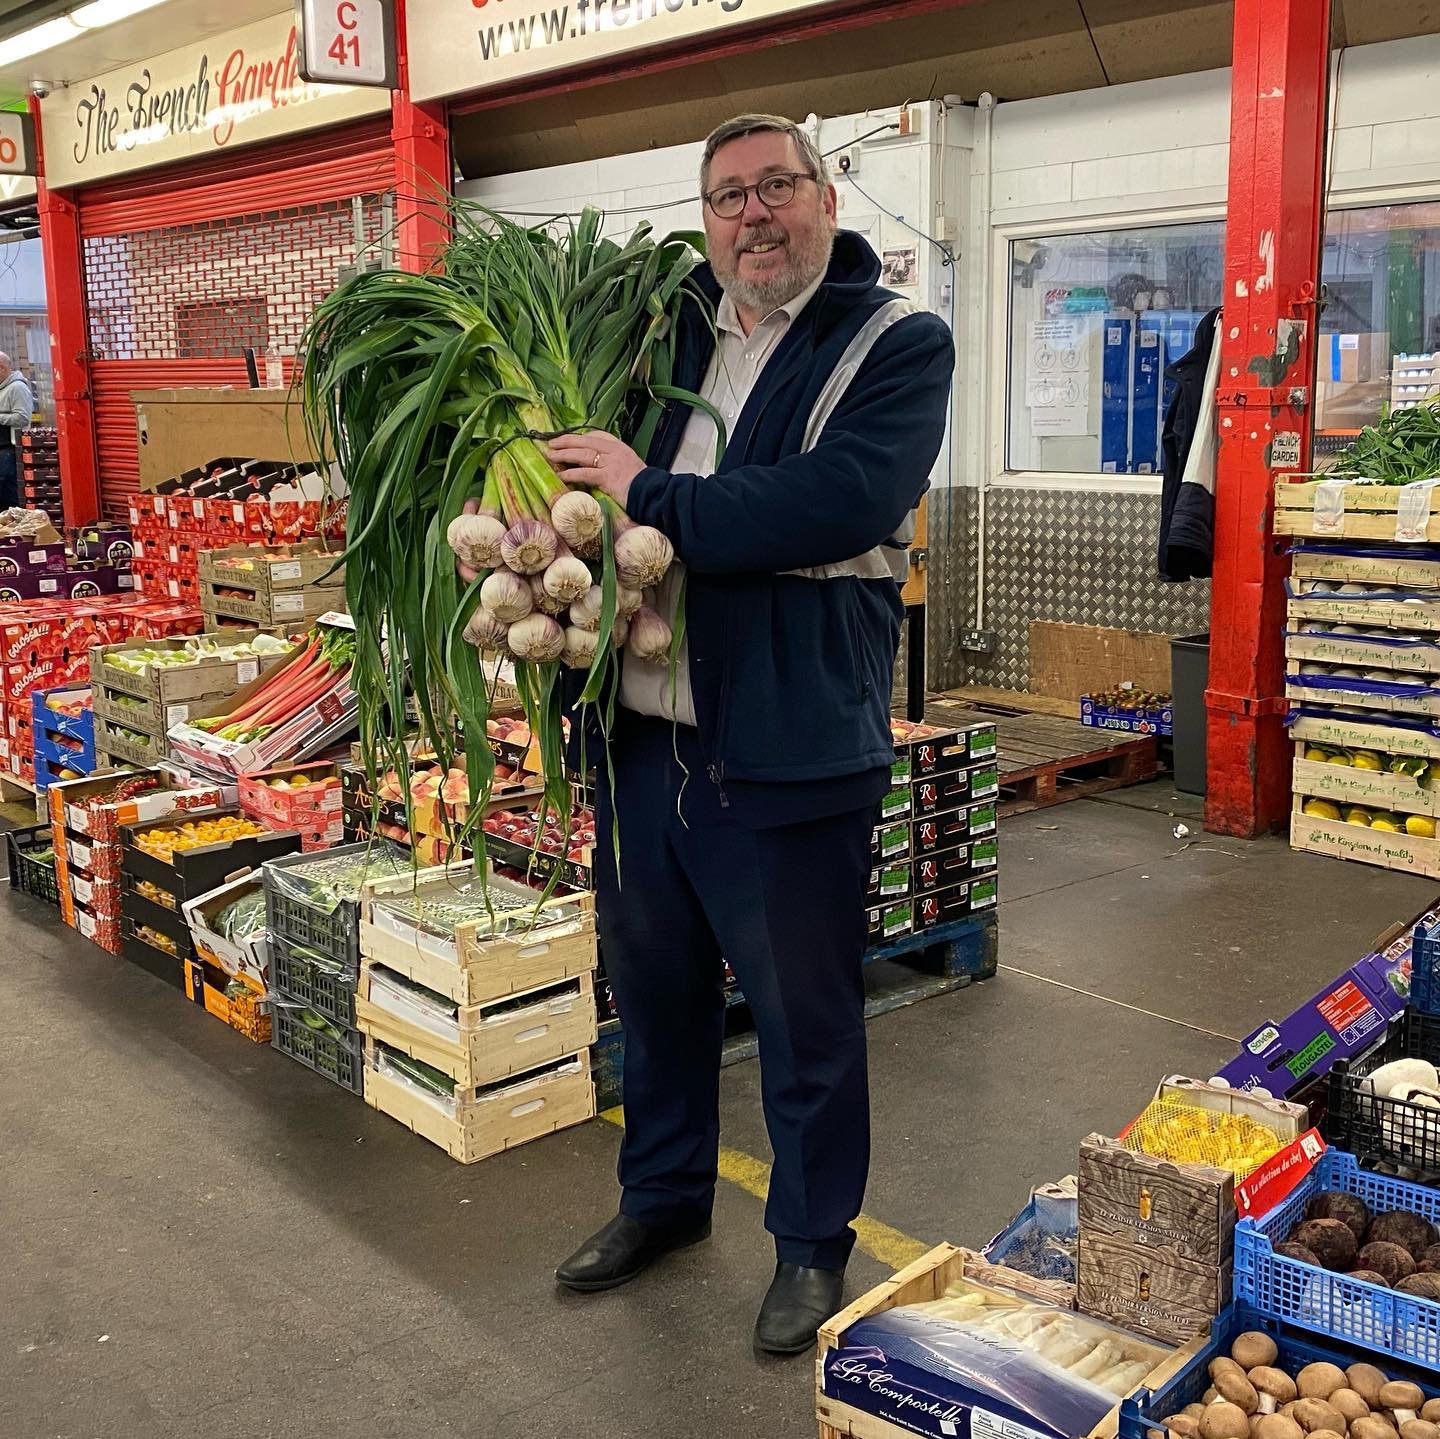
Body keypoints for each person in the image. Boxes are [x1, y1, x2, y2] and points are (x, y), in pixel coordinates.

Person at [509, 113, 951, 1354]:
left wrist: (645, 495)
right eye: (727, 198)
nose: (753, 215)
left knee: (803, 1016)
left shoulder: (894, 340)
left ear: (824, 196)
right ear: (705, 223)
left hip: (787, 742)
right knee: (653, 995)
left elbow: (843, 497)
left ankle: (813, 1246)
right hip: (646, 737)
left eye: (775, 188)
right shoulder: (668, 339)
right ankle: (661, 1200)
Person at [0, 353, 33, 510]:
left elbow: (22, 418)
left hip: (8, 450)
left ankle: (14, 528)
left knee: (7, 489)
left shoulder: (17, 387)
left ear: (2, 368)